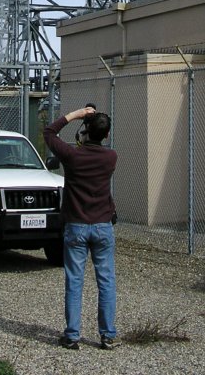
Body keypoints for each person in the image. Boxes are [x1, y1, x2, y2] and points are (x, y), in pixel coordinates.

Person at [44, 104, 119, 351]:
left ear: (85, 131)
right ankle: (107, 335)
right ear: (107, 135)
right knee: (106, 281)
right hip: (102, 226)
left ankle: (73, 335)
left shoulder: (72, 156)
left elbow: (49, 133)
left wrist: (77, 114)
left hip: (76, 225)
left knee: (75, 281)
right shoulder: (111, 157)